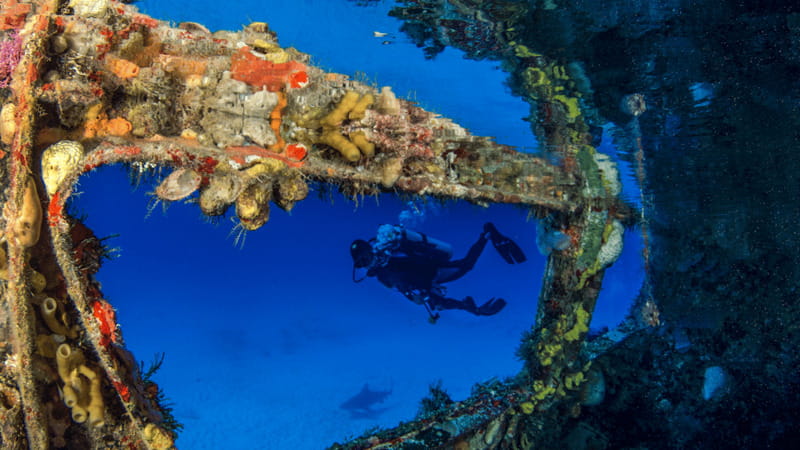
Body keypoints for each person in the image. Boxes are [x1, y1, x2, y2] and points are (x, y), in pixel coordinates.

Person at [350, 223, 526, 323]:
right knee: (437, 301)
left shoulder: (389, 256)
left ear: (372, 250)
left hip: (433, 270)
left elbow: (410, 272)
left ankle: (487, 234)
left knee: (466, 265)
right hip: (425, 282)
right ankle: (472, 308)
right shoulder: (382, 276)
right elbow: (402, 289)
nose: (367, 263)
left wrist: (419, 294)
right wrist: (415, 296)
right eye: (362, 263)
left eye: (366, 257)